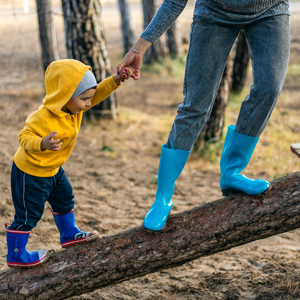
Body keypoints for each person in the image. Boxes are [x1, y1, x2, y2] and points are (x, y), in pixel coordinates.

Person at [117, 0, 290, 232]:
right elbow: (174, 2)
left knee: (269, 90)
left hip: (270, 9)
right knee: (195, 106)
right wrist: (139, 48)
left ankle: (232, 172)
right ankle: (163, 198)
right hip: (214, 13)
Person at [5, 59, 133, 268]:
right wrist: (42, 143)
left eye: (88, 99)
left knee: (65, 198)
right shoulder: (42, 117)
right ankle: (16, 254)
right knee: (29, 214)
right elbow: (23, 137)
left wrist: (116, 79)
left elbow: (97, 93)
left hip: (53, 169)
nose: (88, 103)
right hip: (31, 172)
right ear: (65, 95)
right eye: (84, 99)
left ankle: (69, 233)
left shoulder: (75, 107)